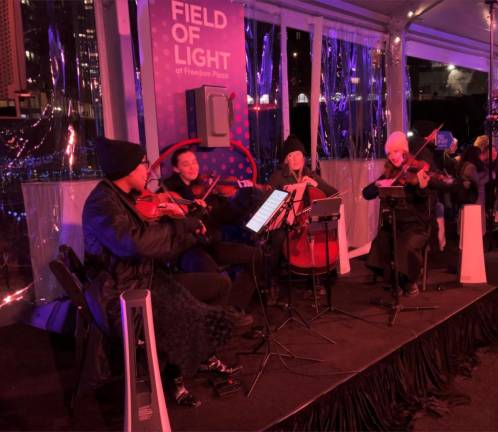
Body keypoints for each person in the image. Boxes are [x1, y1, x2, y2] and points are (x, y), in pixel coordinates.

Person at [83, 137, 238, 407]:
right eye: (143, 165)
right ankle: (175, 378)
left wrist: (190, 232)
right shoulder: (102, 203)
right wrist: (181, 228)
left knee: (220, 285)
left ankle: (201, 353)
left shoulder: (123, 197)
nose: (148, 171)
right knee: (189, 311)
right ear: (126, 169)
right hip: (122, 296)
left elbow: (158, 247)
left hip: (144, 278)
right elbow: (135, 243)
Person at [162, 147, 261, 326]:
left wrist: (242, 195)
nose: (192, 168)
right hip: (188, 249)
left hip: (210, 243)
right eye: (186, 164)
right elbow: (176, 226)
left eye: (194, 162)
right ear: (176, 169)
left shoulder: (204, 187)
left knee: (256, 255)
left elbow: (229, 216)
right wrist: (196, 209)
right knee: (215, 278)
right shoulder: (170, 190)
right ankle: (215, 322)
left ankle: (233, 308)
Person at [266, 135, 338, 303]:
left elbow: (333, 193)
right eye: (291, 155)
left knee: (317, 233)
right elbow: (268, 201)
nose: (296, 159)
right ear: (286, 160)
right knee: (278, 239)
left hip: (304, 222)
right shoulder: (278, 177)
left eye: (298, 154)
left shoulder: (309, 174)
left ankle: (313, 281)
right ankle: (272, 282)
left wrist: (315, 184)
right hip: (285, 222)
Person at [362, 131, 433, 297]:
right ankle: (396, 281)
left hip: (416, 225)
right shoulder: (389, 174)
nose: (393, 156)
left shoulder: (415, 170)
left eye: (396, 151)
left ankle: (410, 281)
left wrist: (422, 187)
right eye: (389, 153)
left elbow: (424, 197)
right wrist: (380, 183)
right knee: (381, 243)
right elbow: (366, 193)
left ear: (404, 151)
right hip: (395, 224)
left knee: (406, 245)